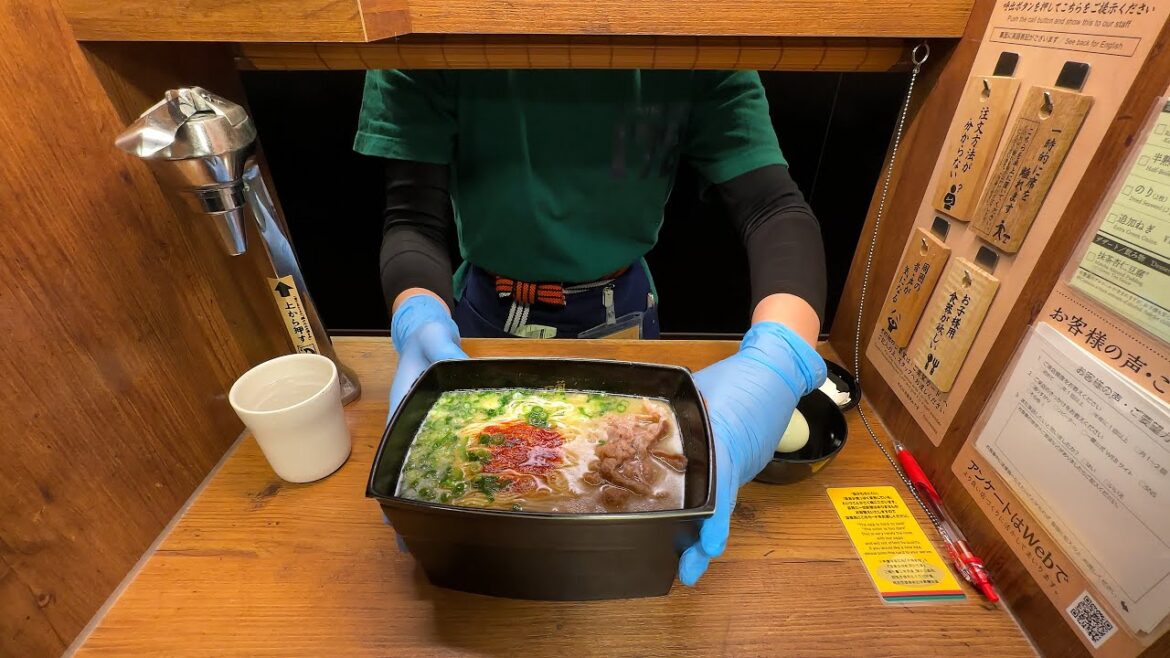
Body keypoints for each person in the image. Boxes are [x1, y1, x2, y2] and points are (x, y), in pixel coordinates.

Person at [354, 69, 827, 586]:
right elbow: (412, 218)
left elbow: (772, 206)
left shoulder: (696, 37)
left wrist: (779, 357)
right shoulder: (426, 37)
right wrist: (418, 319)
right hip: (483, 315)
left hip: (622, 307)